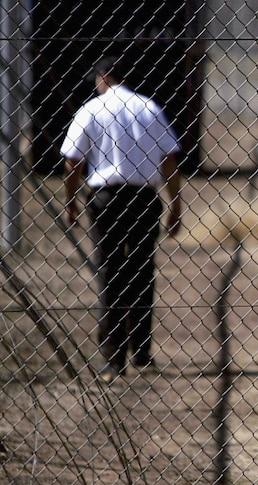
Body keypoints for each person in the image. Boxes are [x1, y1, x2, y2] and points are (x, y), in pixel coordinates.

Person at [61, 56, 182, 383]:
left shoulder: (91, 110)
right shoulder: (149, 108)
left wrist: (71, 203)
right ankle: (141, 349)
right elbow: (169, 158)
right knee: (142, 269)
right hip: (144, 198)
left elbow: (73, 161)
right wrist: (175, 205)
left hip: (105, 200)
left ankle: (113, 357)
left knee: (110, 273)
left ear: (103, 77)